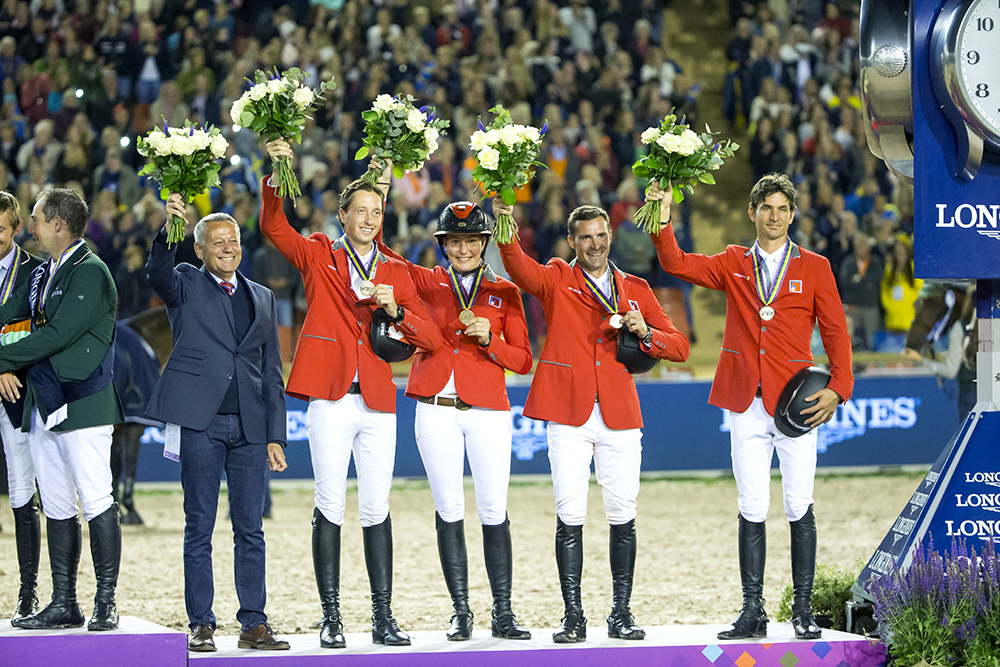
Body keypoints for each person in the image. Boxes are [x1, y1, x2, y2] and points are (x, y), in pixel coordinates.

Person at [645, 173, 854, 641]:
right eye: (766, 208)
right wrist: (662, 214)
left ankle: (802, 609)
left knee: (799, 503)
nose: (774, 216)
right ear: (752, 212)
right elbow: (675, 262)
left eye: (782, 209)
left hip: (797, 405)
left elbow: (836, 330)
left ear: (792, 215)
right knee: (751, 505)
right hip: (746, 402)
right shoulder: (733, 261)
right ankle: (752, 610)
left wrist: (840, 387)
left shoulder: (815, 266)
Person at [261, 140, 443, 649]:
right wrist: (277, 171)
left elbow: (431, 339)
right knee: (329, 502)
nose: (368, 219)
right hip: (332, 396)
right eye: (359, 211)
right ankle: (332, 617)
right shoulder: (320, 254)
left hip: (379, 401)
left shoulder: (396, 270)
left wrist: (398, 312)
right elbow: (274, 225)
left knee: (376, 506)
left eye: (375, 212)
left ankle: (383, 616)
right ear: (342, 215)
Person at [492, 198, 690, 643]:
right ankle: (573, 616)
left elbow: (679, 346)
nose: (595, 244)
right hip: (569, 412)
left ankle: (621, 613)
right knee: (570, 514)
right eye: (585, 237)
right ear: (571, 241)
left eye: (601, 235)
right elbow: (519, 268)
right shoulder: (557, 278)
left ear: (610, 236)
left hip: (619, 413)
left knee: (623, 515)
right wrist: (506, 221)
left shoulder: (635, 287)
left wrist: (646, 332)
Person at [372, 156, 533, 641]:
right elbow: (379, 248)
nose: (463, 249)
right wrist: (381, 190)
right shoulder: (425, 281)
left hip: (487, 412)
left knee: (494, 509)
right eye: (454, 242)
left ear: (484, 242)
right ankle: (461, 611)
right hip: (435, 410)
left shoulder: (505, 291)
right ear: (442, 245)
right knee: (448, 508)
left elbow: (523, 360)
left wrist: (491, 341)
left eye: (471, 240)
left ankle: (503, 611)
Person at [144, 195, 290, 653]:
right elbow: (157, 272)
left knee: (251, 530)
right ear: (200, 250)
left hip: (250, 428)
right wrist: (169, 227)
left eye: (234, 240)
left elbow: (271, 371)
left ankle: (253, 624)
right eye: (217, 242)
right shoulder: (185, 282)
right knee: (199, 528)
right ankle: (201, 624)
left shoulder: (262, 296)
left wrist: (276, 435)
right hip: (200, 423)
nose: (228, 248)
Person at [0, 189, 124, 632]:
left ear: (57, 224)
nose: (29, 227)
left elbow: (56, 335)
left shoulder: (91, 272)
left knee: (96, 499)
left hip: (83, 402)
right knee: (55, 502)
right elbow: (10, 318)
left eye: (34, 219)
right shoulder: (42, 272)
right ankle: (64, 602)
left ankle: (105, 601)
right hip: (43, 401)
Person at [0, 191, 42, 622]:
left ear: (15, 229)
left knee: (21, 489)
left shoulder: (34, 272)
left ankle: (27, 592)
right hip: (4, 377)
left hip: (16, 392)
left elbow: (40, 332)